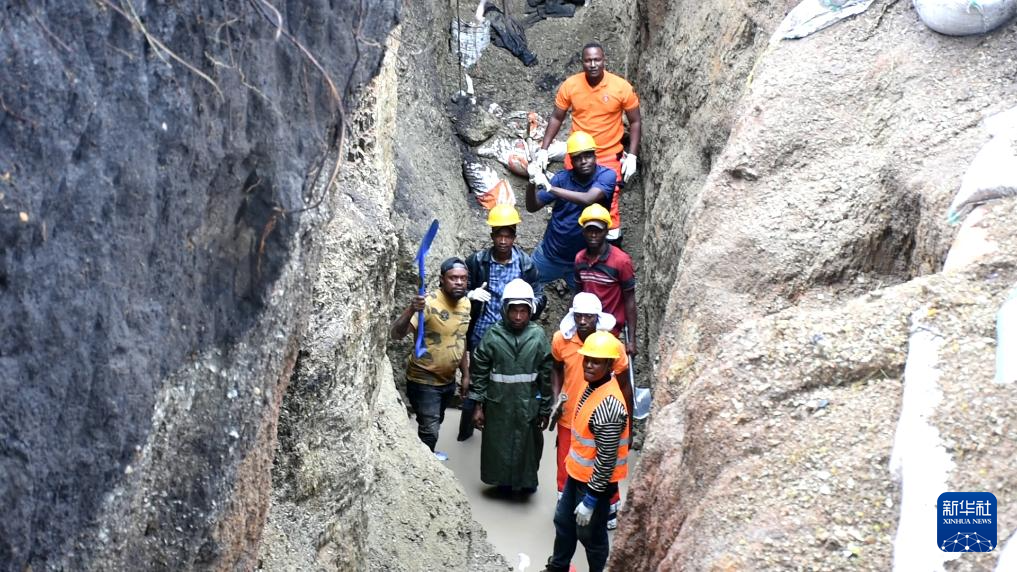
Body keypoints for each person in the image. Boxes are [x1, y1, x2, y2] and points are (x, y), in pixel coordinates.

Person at [535, 42, 641, 240]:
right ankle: (572, 245)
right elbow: (557, 117)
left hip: (608, 154)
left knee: (608, 202)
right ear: (582, 62)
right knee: (571, 198)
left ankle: (611, 248)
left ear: (604, 60)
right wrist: (544, 149)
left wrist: (632, 155)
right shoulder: (571, 86)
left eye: (597, 60)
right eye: (588, 60)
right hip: (578, 153)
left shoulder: (621, 87)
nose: (593, 64)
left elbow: (635, 121)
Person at [458, 204, 546, 441]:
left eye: (508, 236)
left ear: (514, 237)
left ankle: (500, 432)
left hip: (512, 333)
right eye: (499, 235)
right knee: (476, 382)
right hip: (482, 331)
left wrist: (532, 307)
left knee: (506, 383)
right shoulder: (477, 261)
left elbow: (539, 293)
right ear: (492, 235)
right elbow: (456, 288)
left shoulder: (525, 264)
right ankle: (466, 433)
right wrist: (470, 294)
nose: (503, 241)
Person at [545, 331, 630, 572]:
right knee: (564, 523)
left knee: (591, 538)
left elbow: (606, 459)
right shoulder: (593, 387)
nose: (589, 365)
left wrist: (591, 500)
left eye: (597, 362)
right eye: (587, 359)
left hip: (595, 485)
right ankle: (558, 568)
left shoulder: (609, 405)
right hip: (577, 476)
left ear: (609, 365)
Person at [550, 293, 630, 530]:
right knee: (567, 464)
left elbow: (624, 385)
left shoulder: (612, 346)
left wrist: (628, 425)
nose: (583, 321)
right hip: (569, 417)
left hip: (602, 417)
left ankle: (608, 509)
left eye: (588, 316)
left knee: (605, 463)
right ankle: (567, 509)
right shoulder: (561, 340)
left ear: (597, 318)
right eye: (579, 316)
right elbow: (555, 368)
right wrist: (556, 400)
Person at [469, 279, 552, 493]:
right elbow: (479, 372)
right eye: (514, 310)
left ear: (530, 311)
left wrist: (545, 409)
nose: (518, 316)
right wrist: (477, 406)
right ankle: (502, 482)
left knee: (528, 446)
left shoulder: (537, 336)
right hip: (498, 404)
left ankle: (526, 482)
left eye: (523, 311)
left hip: (527, 405)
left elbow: (546, 375)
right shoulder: (493, 335)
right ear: (505, 309)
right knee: (499, 445)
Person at [389, 257, 471, 460]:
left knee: (436, 421)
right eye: (453, 278)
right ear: (442, 279)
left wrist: (465, 374)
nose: (459, 282)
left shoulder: (466, 304)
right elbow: (396, 334)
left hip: (448, 380)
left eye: (463, 278)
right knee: (430, 429)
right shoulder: (427, 303)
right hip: (424, 380)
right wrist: (411, 309)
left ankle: (425, 455)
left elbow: (460, 339)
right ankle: (423, 467)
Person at [526, 131, 616, 292]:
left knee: (588, 302)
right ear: (571, 160)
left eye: (587, 156)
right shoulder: (561, 179)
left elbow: (588, 199)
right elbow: (532, 207)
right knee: (525, 289)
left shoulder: (606, 176)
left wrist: (550, 188)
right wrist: (531, 182)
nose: (584, 161)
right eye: (578, 158)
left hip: (586, 260)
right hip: (550, 255)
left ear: (595, 155)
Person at [574, 203, 637, 358]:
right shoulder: (580, 259)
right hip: (586, 327)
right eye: (589, 230)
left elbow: (629, 300)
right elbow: (577, 294)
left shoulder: (621, 261)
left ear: (606, 231)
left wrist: (631, 340)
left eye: (598, 231)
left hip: (611, 331)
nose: (593, 235)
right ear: (583, 232)